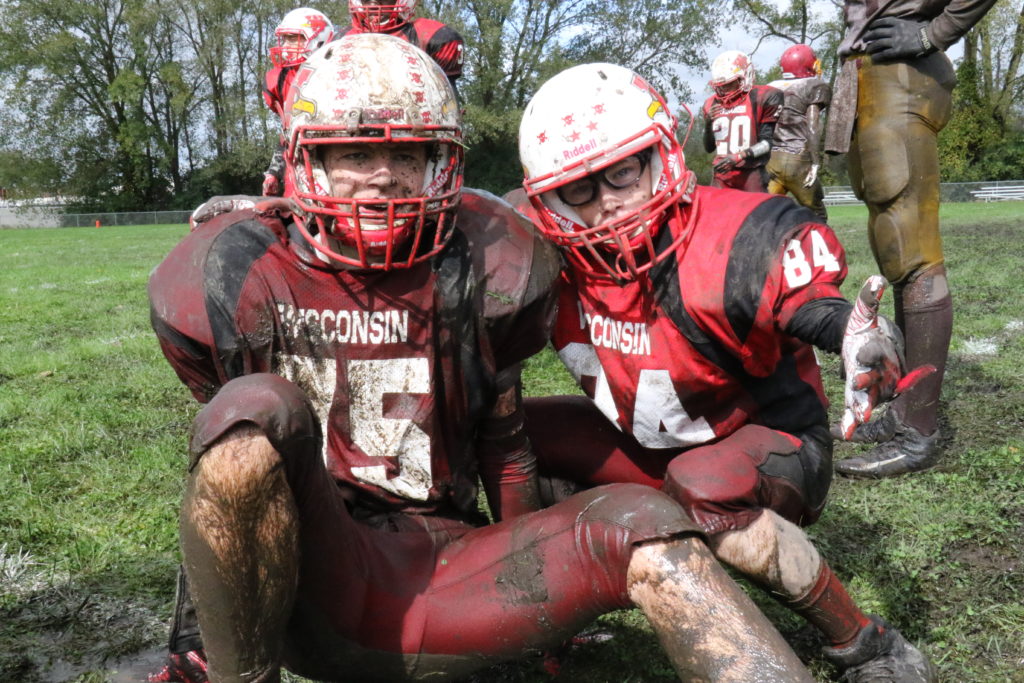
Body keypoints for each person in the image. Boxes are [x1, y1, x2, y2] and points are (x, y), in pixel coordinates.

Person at [146, 34, 816, 683]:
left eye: (411, 155)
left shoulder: (490, 255)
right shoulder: (237, 267)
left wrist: (544, 591)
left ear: (444, 160)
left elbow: (508, 444)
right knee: (251, 415)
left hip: (446, 571)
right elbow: (229, 480)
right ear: (305, 162)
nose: (383, 179)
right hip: (310, 589)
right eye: (351, 151)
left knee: (649, 527)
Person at [516, 62, 936, 682]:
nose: (607, 203)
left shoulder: (733, 232)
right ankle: (557, 620)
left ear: (660, 157)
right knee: (514, 433)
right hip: (653, 442)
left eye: (623, 172)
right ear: (545, 198)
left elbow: (808, 301)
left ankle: (865, 643)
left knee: (703, 483)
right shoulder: (535, 255)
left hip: (768, 443)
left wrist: (851, 335)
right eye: (579, 189)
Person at [823, 0, 998, 478]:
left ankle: (918, 431)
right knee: (894, 249)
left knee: (911, 247)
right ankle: (903, 411)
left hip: (903, 75)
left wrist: (930, 34)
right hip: (874, 75)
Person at [261, 7, 334, 197]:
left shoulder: (338, 73)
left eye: (293, 38)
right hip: (301, 165)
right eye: (284, 39)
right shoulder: (280, 79)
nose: (285, 46)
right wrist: (273, 173)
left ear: (318, 39)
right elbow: (287, 134)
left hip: (337, 161)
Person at [766, 44, 831, 220]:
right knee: (816, 215)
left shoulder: (771, 88)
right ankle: (819, 247)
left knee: (767, 214)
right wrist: (815, 162)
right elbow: (812, 126)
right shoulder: (813, 85)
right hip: (798, 159)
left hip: (772, 159)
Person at [702, 50, 783, 192]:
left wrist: (739, 156)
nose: (724, 90)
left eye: (730, 84)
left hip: (751, 172)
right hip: (722, 175)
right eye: (721, 86)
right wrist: (708, 124)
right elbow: (709, 148)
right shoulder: (711, 104)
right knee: (718, 213)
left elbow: (766, 144)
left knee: (758, 213)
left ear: (745, 77)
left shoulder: (762, 97)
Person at [342, 0, 464, 92]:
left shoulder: (433, 37)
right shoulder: (340, 40)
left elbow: (447, 105)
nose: (373, 5)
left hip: (416, 121)